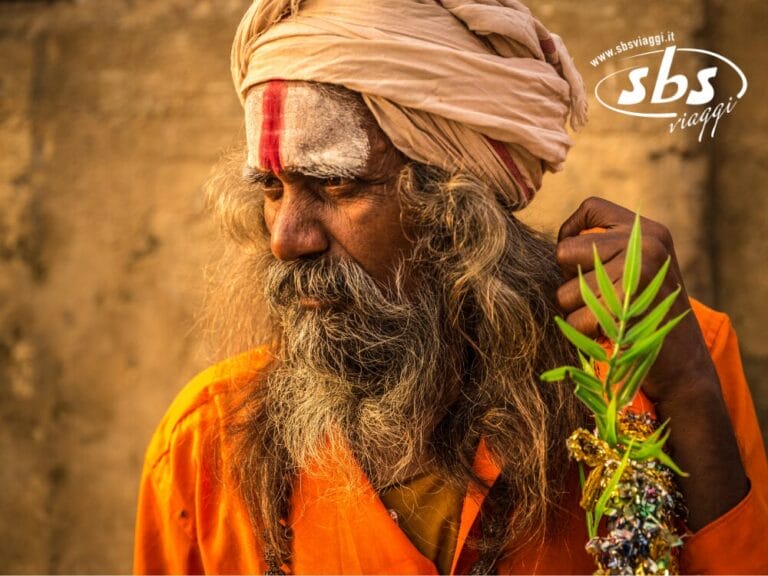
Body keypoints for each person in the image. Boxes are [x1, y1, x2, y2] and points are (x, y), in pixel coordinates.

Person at [133, 1, 768, 573]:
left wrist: (686, 389)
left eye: (338, 186)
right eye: (272, 189)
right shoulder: (203, 445)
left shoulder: (671, 360)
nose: (287, 238)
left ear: (460, 208)